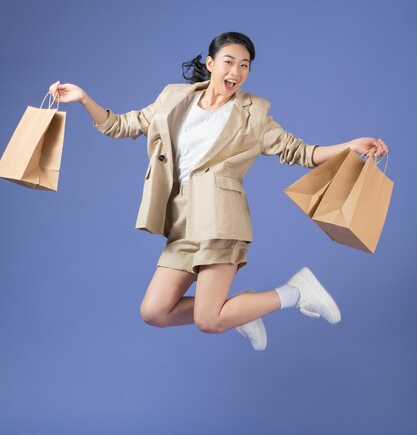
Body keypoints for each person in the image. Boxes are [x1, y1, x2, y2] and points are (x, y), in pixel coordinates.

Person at [48, 31, 388, 351]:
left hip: (221, 219)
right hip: (181, 221)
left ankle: (296, 292)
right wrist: (83, 99)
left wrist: (349, 146)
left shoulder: (253, 113)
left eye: (244, 65)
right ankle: (243, 311)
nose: (236, 71)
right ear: (210, 64)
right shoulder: (173, 98)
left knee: (209, 322)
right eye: (228, 61)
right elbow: (121, 125)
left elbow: (301, 151)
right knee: (154, 311)